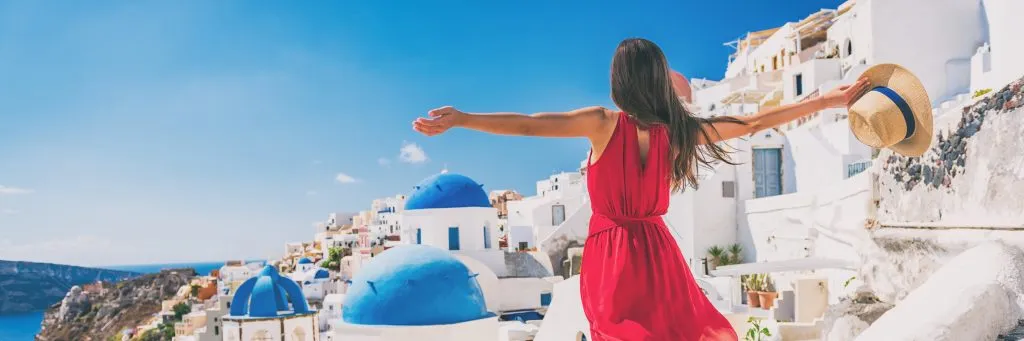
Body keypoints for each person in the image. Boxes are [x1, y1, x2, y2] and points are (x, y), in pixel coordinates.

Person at [413, 38, 869, 341]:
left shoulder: (602, 123)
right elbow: (752, 123)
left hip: (614, 254)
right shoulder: (680, 131)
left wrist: (464, 119)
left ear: (621, 79)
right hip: (659, 252)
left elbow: (530, 127)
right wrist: (825, 99)